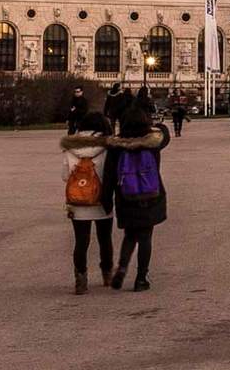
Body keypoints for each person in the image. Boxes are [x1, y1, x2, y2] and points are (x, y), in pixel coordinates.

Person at [103, 106, 170, 292]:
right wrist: (157, 125)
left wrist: (106, 200)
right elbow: (165, 134)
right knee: (146, 236)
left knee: (130, 235)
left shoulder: (116, 147)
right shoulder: (153, 143)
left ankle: (123, 267)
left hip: (126, 196)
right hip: (150, 196)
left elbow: (108, 177)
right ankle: (141, 278)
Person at [62, 112, 113, 294]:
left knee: (81, 241)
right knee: (104, 238)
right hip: (102, 200)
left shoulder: (70, 147)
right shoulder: (107, 146)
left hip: (78, 201)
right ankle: (107, 273)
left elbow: (64, 176)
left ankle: (81, 279)